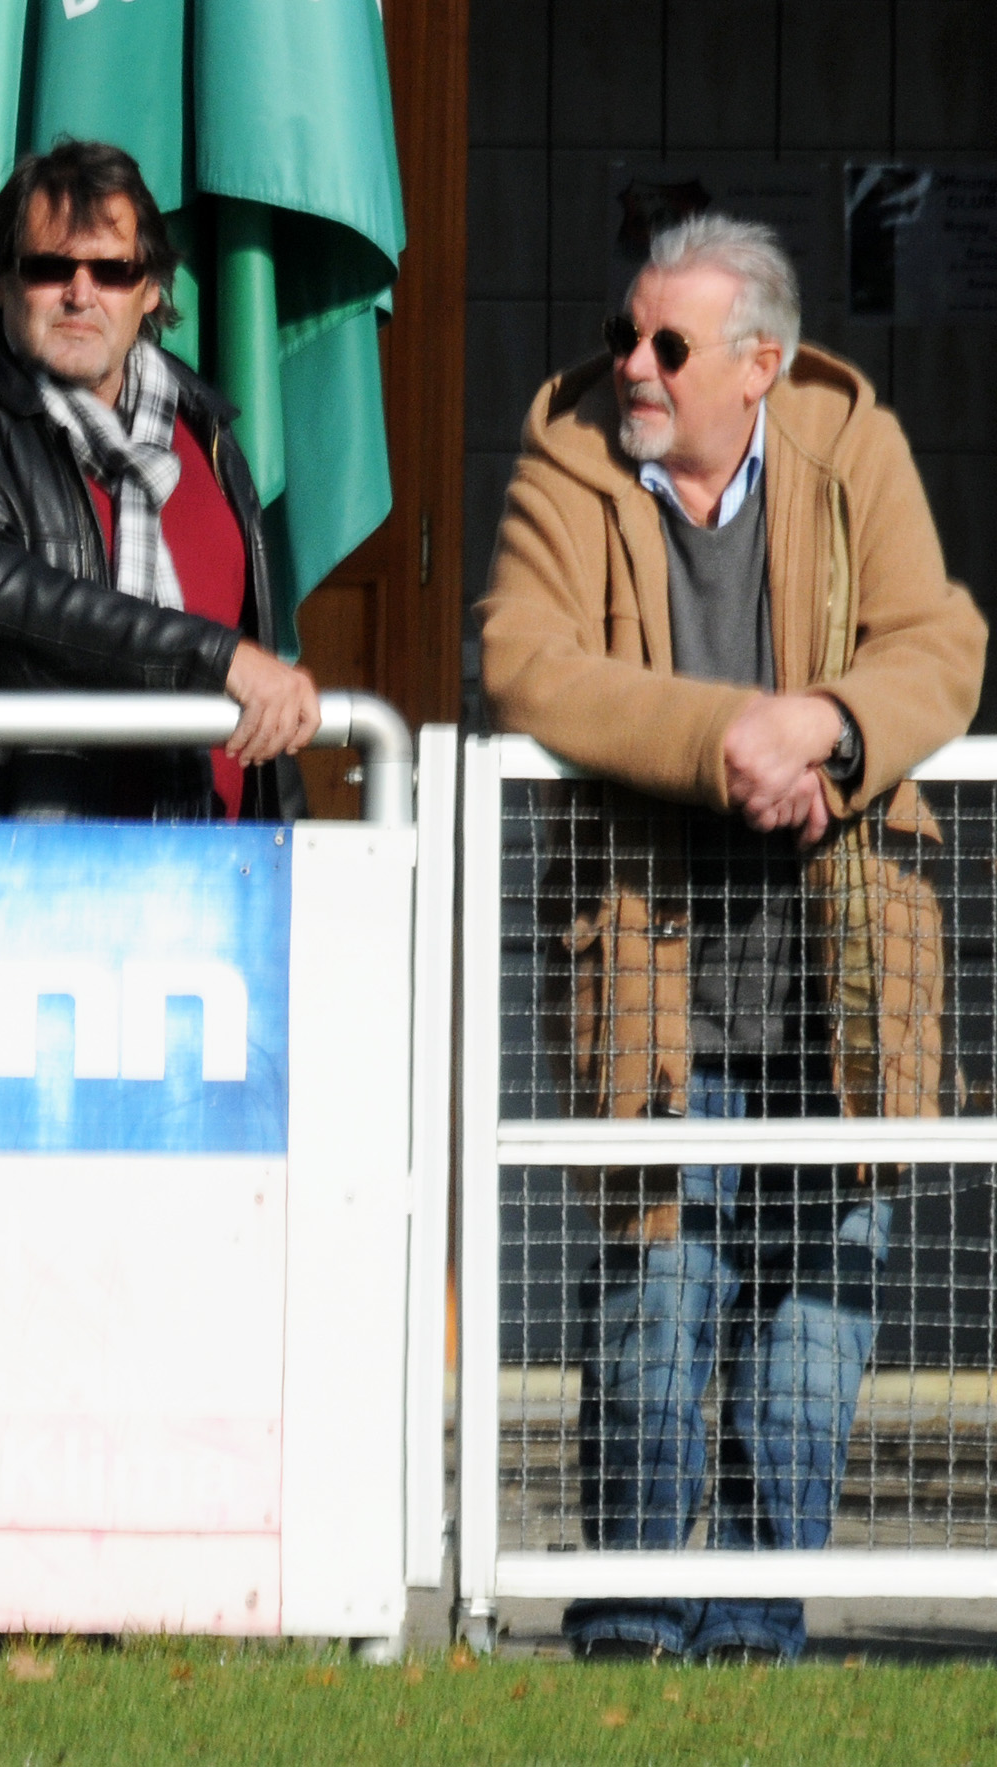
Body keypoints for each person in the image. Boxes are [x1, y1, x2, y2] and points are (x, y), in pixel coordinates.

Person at [480, 214, 985, 1662]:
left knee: (813, 1331)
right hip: (652, 981)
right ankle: (636, 1626)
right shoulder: (572, 448)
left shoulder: (849, 442)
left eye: (669, 344)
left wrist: (828, 727)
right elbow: (524, 658)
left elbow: (938, 643)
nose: (633, 366)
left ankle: (759, 1638)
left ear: (759, 364)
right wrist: (734, 741)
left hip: (846, 985)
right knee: (655, 1307)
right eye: (625, 334)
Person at [0, 138, 322, 821]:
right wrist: (211, 659)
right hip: (19, 857)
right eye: (50, 267)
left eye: (112, 271)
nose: (81, 294)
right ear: (0, 280)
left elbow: (258, 667)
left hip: (221, 856)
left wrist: (293, 841)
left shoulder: (207, 430)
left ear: (151, 289)